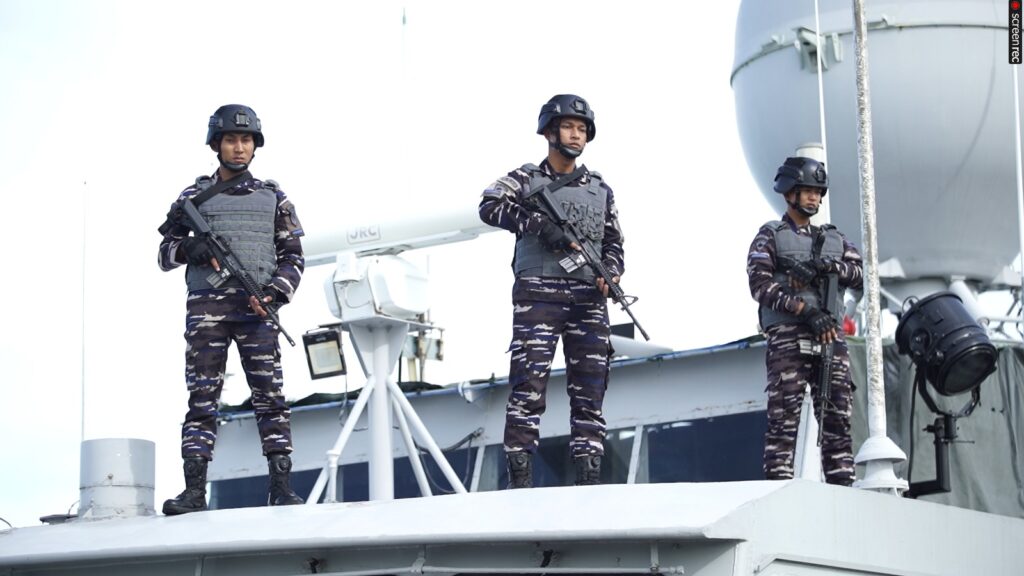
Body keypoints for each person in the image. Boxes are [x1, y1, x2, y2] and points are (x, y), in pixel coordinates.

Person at [157, 104, 306, 514]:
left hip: (257, 311)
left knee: (270, 397)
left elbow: (293, 256)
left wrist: (275, 294)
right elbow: (164, 254)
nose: (239, 148)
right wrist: (188, 248)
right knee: (202, 399)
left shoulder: (273, 197)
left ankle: (281, 487)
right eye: (230, 140)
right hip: (207, 311)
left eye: (245, 140)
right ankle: (194, 492)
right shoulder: (192, 197)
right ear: (216, 145)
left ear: (255, 146)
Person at [479, 94, 624, 488]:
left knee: (591, 390)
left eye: (582, 129)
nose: (576, 135)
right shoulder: (526, 179)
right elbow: (489, 205)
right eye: (568, 127)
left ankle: (589, 480)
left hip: (588, 300)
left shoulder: (601, 189)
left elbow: (614, 242)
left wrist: (610, 274)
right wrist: (540, 226)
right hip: (539, 296)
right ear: (549, 132)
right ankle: (521, 483)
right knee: (528, 385)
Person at [746, 156, 863, 486]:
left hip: (830, 338)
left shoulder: (834, 240)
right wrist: (804, 310)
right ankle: (779, 489)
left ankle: (842, 489)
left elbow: (860, 275)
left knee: (837, 420)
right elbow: (759, 285)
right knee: (784, 420)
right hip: (789, 337)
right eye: (807, 191)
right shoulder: (771, 236)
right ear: (789, 193)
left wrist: (827, 267)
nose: (814, 197)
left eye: (817, 192)